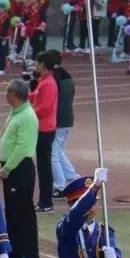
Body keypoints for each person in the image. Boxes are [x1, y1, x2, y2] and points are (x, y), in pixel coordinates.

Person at [0, 78, 39, 258]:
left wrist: (7, 168)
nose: (5, 96)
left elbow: (23, 147)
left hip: (19, 168)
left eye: (7, 92)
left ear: (13, 95)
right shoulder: (15, 112)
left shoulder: (27, 117)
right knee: (12, 211)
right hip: (12, 168)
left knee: (23, 212)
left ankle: (30, 256)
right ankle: (14, 251)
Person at [30, 51, 59, 212]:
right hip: (44, 128)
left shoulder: (48, 83)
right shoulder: (45, 81)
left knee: (44, 167)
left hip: (45, 129)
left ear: (43, 65)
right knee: (43, 165)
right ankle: (44, 201)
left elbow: (44, 108)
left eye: (38, 63)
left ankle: (46, 202)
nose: (36, 66)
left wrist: (28, 112)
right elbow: (36, 97)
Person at [50, 58, 77, 196]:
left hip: (59, 121)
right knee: (59, 151)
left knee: (53, 153)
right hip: (68, 120)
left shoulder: (55, 82)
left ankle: (59, 186)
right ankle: (73, 177)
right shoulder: (69, 80)